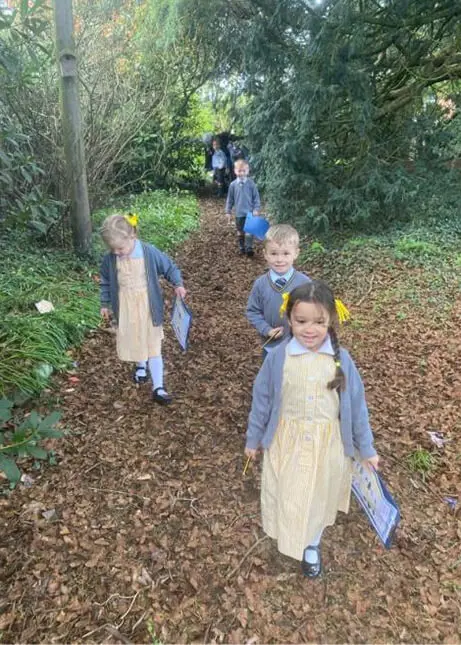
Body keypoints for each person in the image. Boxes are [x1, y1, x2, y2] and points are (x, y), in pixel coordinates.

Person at [244, 280, 379, 578]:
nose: (310, 329)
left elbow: (356, 407)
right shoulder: (279, 357)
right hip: (286, 440)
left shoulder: (340, 360)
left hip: (327, 445)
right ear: (289, 319)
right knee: (290, 491)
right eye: (301, 321)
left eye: (319, 322)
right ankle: (291, 533)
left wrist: (366, 448)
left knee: (318, 496)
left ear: (331, 319)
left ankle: (311, 546)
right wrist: (253, 438)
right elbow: (262, 400)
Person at [99, 213, 187, 405]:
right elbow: (105, 282)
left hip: (148, 308)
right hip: (126, 309)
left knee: (153, 344)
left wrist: (177, 283)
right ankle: (140, 366)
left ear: (133, 237)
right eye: (113, 249)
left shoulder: (149, 252)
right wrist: (104, 304)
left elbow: (169, 267)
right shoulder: (111, 260)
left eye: (120, 248)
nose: (117, 252)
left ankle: (158, 386)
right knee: (135, 338)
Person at [246, 224, 310, 356]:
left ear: (296, 253)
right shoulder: (261, 284)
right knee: (271, 376)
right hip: (270, 348)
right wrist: (266, 330)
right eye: (274, 253)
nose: (279, 259)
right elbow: (253, 311)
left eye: (286, 253)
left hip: (300, 348)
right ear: (265, 254)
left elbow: (314, 313)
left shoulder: (305, 283)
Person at [225, 159, 261, 257]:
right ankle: (242, 247)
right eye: (239, 171)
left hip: (250, 212)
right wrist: (228, 211)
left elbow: (256, 197)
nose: (242, 173)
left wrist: (256, 209)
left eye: (244, 171)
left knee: (249, 231)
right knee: (240, 232)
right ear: (235, 171)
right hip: (239, 213)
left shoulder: (251, 184)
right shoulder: (233, 185)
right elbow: (230, 199)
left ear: (247, 171)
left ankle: (249, 247)